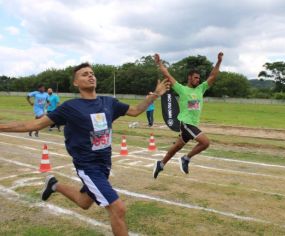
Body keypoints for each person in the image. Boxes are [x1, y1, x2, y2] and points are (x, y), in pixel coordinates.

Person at [0, 62, 170, 236]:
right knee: (118, 208)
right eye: (84, 74)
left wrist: (155, 94)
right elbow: (33, 124)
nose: (90, 76)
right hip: (88, 166)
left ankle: (54, 185)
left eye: (92, 73)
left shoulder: (108, 102)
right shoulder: (70, 107)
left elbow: (135, 111)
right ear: (76, 83)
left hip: (105, 164)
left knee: (84, 202)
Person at [153, 52, 223, 179]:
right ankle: (186, 158)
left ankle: (161, 164)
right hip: (186, 123)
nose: (198, 80)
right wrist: (159, 63)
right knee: (205, 142)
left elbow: (213, 76)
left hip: (193, 124)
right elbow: (167, 74)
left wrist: (218, 61)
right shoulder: (181, 89)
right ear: (189, 78)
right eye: (195, 77)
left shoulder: (201, 89)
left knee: (176, 147)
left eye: (199, 78)